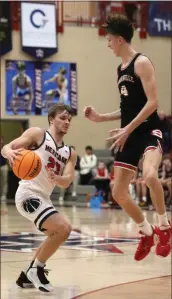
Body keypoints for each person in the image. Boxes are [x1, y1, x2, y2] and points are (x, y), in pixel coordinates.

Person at [84, 13, 171, 261]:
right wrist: (101, 118)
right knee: (119, 192)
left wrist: (128, 128)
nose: (108, 43)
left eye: (109, 39)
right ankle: (146, 231)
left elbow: (153, 103)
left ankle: (164, 228)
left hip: (148, 131)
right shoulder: (119, 69)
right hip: (130, 133)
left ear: (120, 39)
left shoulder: (142, 62)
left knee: (151, 175)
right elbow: (127, 109)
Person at [1, 103, 77, 292]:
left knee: (56, 233)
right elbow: (7, 147)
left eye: (69, 119)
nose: (67, 121)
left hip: (44, 198)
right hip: (27, 194)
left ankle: (27, 275)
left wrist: (57, 178)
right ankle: (38, 269)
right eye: (62, 118)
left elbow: (67, 181)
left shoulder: (70, 153)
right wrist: (9, 152)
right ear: (51, 118)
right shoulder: (38, 134)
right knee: (64, 229)